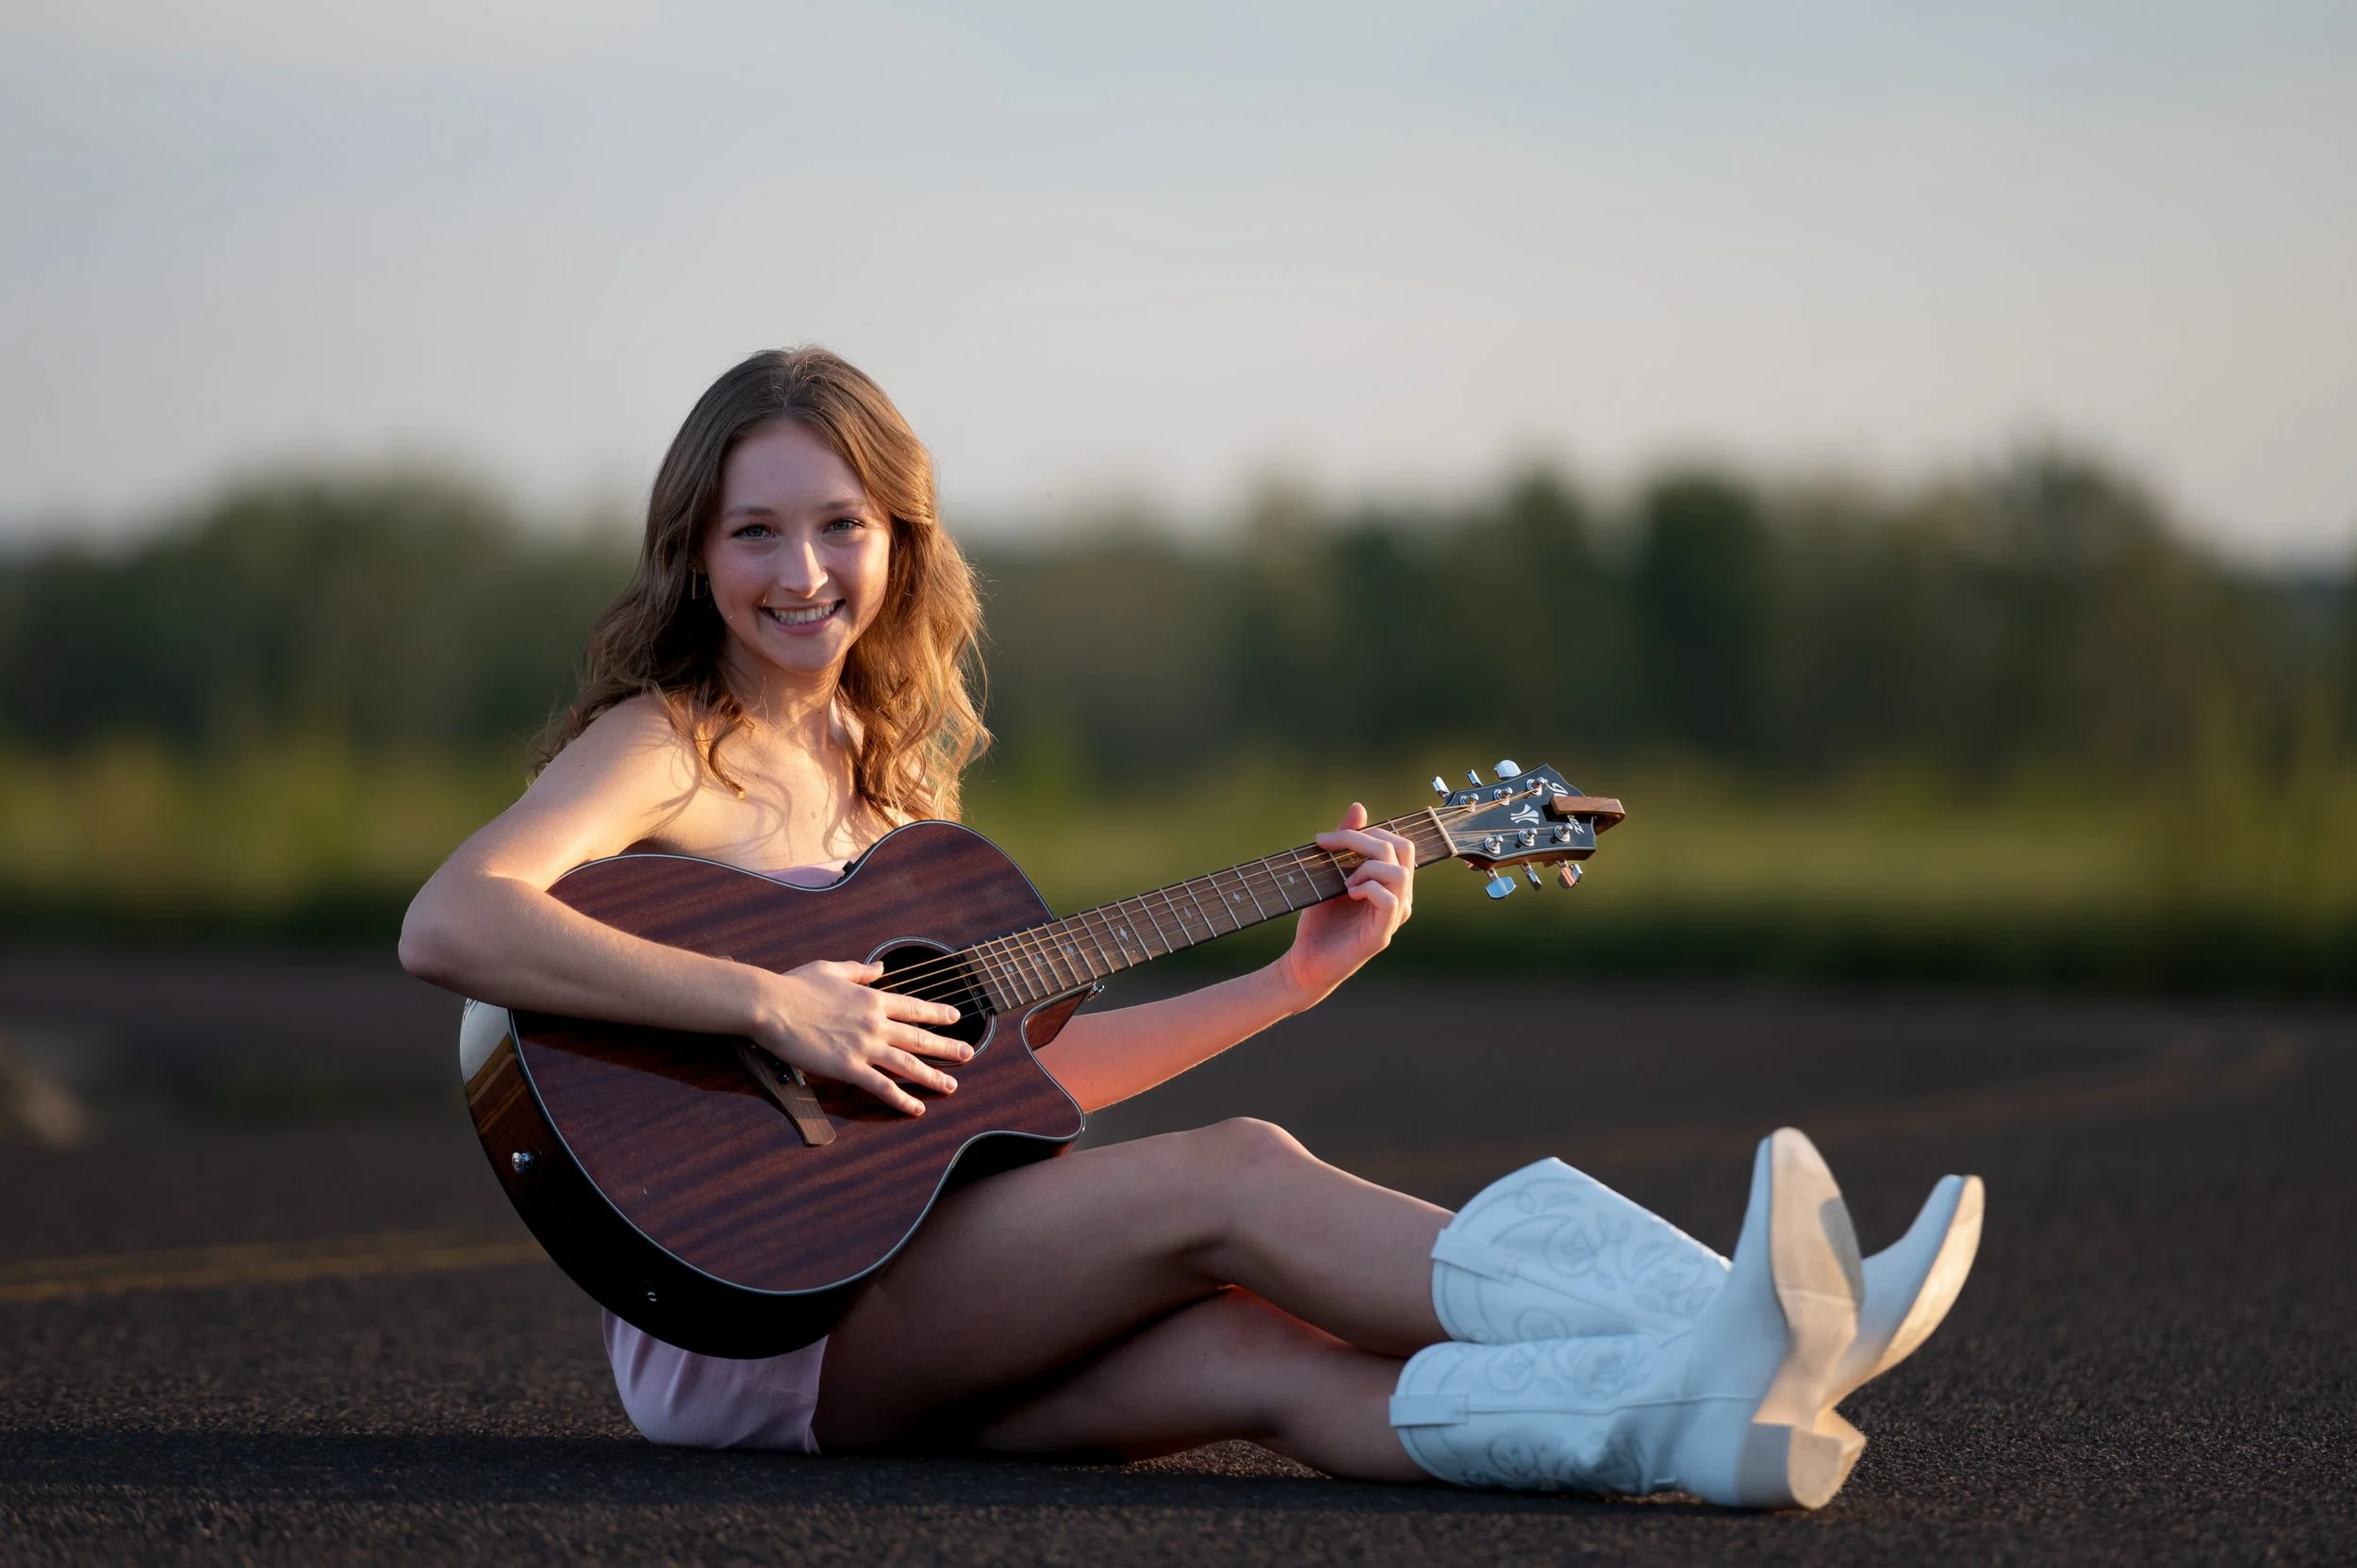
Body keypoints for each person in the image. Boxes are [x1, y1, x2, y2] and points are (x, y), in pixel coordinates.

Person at [400, 348, 1983, 1509]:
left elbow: (1029, 1094)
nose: (801, 571)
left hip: (899, 1271)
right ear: (695, 547)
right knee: (1243, 1172)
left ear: (900, 543)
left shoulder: (897, 798)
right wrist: (772, 1005)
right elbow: (454, 919)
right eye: (757, 530)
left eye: (841, 526)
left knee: (1259, 1359)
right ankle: (1735, 1314)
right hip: (757, 1331)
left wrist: (1293, 979)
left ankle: (1707, 1422)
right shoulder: (670, 742)